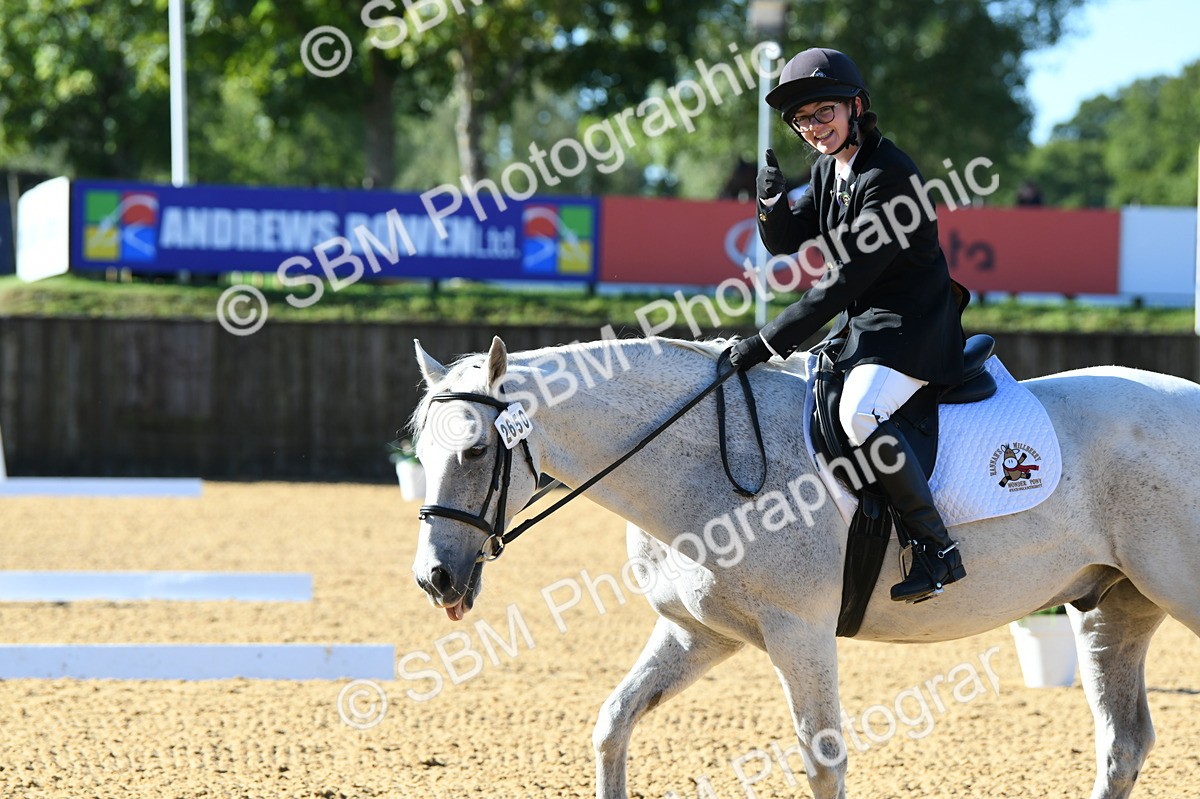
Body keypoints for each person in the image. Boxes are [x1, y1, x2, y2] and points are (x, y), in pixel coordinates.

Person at [728, 47, 969, 603]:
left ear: (856, 105)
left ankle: (935, 547)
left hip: (912, 329)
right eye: (803, 119)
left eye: (824, 113)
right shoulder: (831, 168)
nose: (814, 128)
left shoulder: (889, 176)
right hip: (868, 327)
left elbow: (842, 285)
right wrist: (769, 203)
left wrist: (767, 341)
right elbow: (789, 241)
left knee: (860, 412)